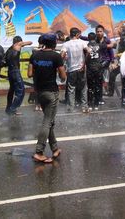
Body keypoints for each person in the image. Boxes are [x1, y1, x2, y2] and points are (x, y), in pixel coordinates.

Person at [28, 33, 66, 164]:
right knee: (47, 122)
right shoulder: (56, 56)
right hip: (51, 92)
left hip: (39, 92)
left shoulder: (35, 55)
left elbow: (29, 73)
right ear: (54, 43)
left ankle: (55, 148)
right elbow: (63, 77)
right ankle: (39, 152)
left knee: (49, 121)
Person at [61, 27, 89, 113]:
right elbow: (89, 51)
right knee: (83, 88)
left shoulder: (66, 44)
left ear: (70, 34)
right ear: (77, 34)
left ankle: (71, 107)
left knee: (71, 89)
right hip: (81, 68)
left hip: (71, 69)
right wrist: (84, 64)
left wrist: (63, 62)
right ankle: (84, 107)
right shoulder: (82, 42)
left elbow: (62, 55)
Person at [5, 36, 32, 115]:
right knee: (21, 90)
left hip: (10, 71)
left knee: (12, 90)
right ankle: (13, 109)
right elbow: (30, 42)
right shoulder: (17, 45)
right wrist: (23, 43)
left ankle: (8, 108)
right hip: (15, 72)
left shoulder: (9, 50)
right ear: (18, 42)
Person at [85, 32, 102, 110]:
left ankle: (90, 104)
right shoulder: (99, 45)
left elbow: (86, 57)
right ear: (95, 38)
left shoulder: (86, 46)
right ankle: (96, 104)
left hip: (90, 68)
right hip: (98, 68)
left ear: (88, 38)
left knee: (90, 86)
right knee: (97, 86)